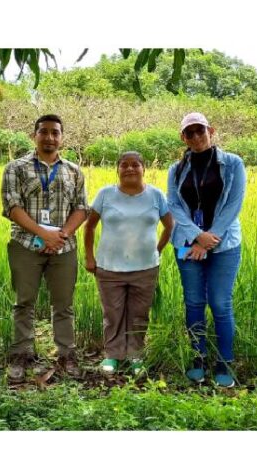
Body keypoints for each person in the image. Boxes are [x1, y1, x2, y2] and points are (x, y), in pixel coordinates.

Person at [1, 114, 88, 382]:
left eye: (55, 132)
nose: (49, 137)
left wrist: (60, 235)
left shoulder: (73, 171)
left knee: (64, 304)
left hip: (64, 246)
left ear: (61, 137)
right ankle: (21, 354)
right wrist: (43, 234)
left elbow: (81, 208)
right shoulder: (16, 167)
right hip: (25, 244)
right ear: (34, 135)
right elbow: (12, 207)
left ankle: (66, 355)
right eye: (44, 132)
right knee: (24, 302)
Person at [167, 112, 247, 388]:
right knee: (194, 302)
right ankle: (198, 357)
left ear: (210, 131)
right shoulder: (176, 169)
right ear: (183, 138)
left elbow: (234, 203)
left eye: (200, 130)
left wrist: (208, 239)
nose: (196, 137)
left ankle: (224, 362)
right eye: (189, 133)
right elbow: (174, 204)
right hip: (188, 244)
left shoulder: (233, 163)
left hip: (224, 245)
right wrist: (196, 236)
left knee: (220, 303)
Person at [84, 152, 173, 375]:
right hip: (109, 267)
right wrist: (89, 257)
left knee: (139, 314)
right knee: (112, 313)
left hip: (145, 268)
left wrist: (157, 250)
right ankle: (113, 355)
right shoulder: (105, 194)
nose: (130, 169)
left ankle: (135, 355)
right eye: (124, 165)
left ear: (144, 168)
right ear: (118, 169)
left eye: (135, 165)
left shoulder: (156, 195)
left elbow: (169, 226)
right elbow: (89, 226)